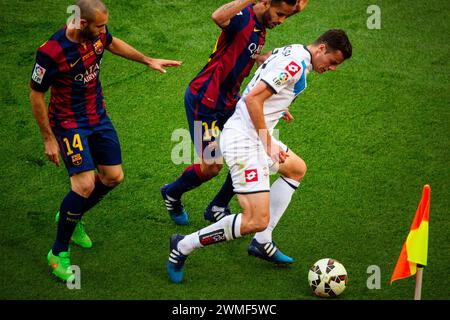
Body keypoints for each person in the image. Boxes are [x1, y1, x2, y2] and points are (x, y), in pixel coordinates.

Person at [167, 29, 352, 283]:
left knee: (297, 169)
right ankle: (182, 246)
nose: (331, 69)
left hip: (252, 134)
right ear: (321, 49)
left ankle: (262, 241)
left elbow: (264, 68)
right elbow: (254, 99)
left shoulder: (295, 51)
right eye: (332, 63)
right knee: (255, 219)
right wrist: (268, 143)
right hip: (245, 141)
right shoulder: (296, 64)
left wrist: (278, 104)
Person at [30, 0, 181, 282]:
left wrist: (147, 59)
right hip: (68, 122)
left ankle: (70, 219)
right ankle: (57, 252)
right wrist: (48, 137)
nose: (104, 31)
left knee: (113, 177)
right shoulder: (51, 52)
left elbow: (111, 43)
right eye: (99, 26)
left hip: (97, 116)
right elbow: (36, 94)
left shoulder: (97, 36)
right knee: (84, 184)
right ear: (82, 23)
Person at [161, 0, 308, 226]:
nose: (281, 21)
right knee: (212, 165)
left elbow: (247, 55)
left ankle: (218, 206)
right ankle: (172, 193)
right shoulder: (242, 17)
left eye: (285, 17)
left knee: (247, 148)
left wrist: (277, 97)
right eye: (279, 14)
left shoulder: (261, 26)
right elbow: (217, 17)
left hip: (230, 101)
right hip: (205, 100)